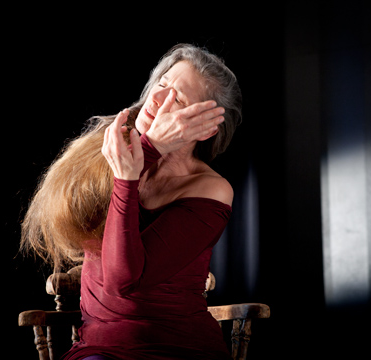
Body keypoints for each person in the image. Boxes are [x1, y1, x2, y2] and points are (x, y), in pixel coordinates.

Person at [21, 43, 242, 360]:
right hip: (94, 349)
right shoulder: (115, 146)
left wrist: (129, 175)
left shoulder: (211, 188)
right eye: (162, 84)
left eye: (177, 98)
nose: (156, 99)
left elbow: (121, 281)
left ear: (205, 127)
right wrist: (146, 150)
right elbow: (61, 213)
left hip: (172, 350)